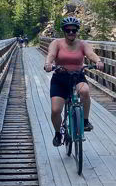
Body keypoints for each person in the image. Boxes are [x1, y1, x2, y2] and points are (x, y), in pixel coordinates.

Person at [44, 16, 104, 147]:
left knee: (85, 91)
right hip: (60, 78)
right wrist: (48, 63)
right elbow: (51, 55)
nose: (71, 33)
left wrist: (98, 61)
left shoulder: (82, 44)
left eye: (74, 30)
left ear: (77, 31)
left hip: (77, 77)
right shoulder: (57, 43)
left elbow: (91, 54)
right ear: (64, 31)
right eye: (68, 30)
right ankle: (58, 133)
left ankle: (85, 121)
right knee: (55, 110)